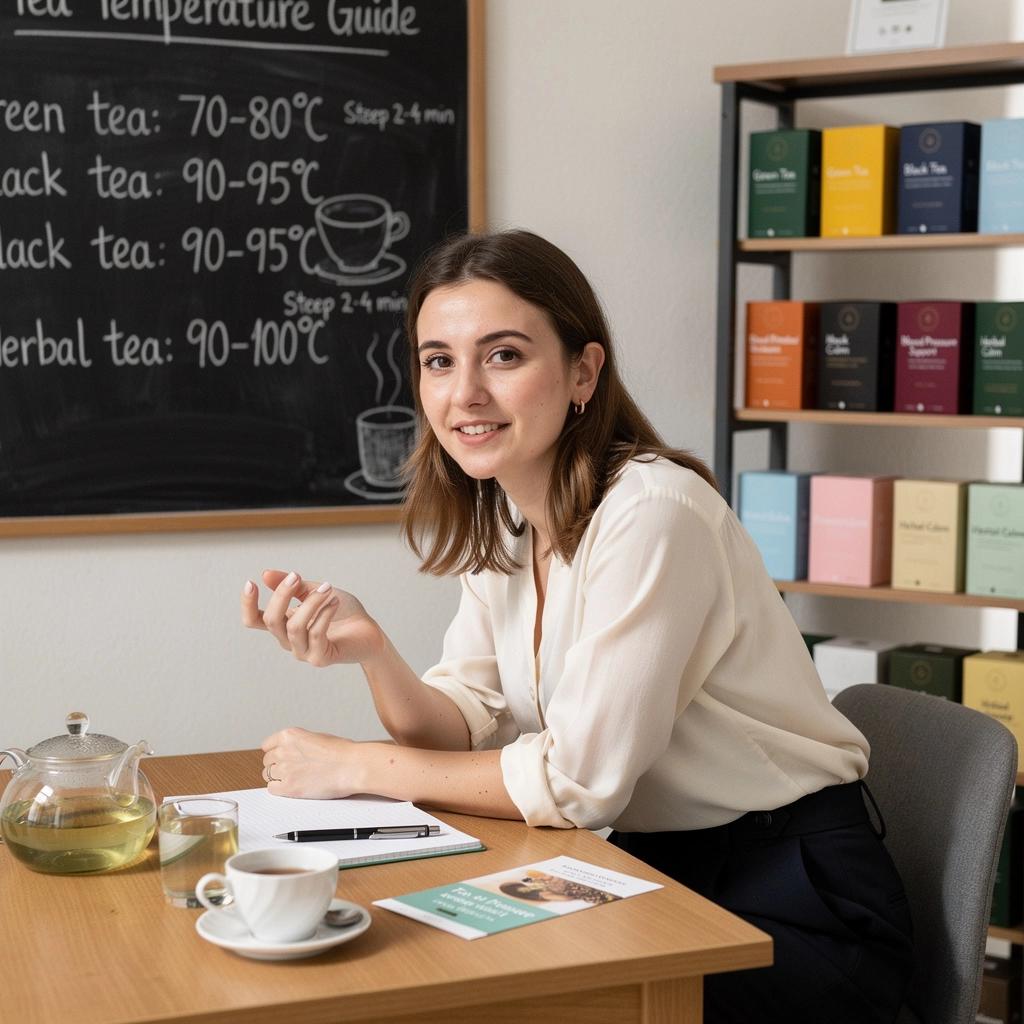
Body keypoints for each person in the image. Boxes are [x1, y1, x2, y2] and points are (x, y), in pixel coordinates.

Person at [241, 229, 913, 1023]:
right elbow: (456, 726)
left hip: (794, 904)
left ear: (583, 371)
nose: (465, 395)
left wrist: (355, 765)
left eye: (504, 355)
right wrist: (374, 651)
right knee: (401, 969)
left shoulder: (653, 514)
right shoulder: (511, 517)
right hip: (653, 871)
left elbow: (575, 785)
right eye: (439, 361)